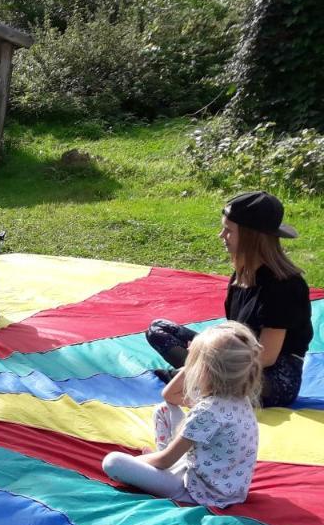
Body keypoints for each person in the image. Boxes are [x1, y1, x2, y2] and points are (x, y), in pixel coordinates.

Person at [146, 191, 312, 407]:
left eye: (229, 230)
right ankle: (203, 379)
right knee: (159, 330)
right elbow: (233, 331)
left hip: (271, 377)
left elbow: (267, 357)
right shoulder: (242, 274)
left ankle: (200, 381)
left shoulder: (285, 286)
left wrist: (210, 356)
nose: (221, 235)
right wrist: (206, 346)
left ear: (251, 237)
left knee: (205, 355)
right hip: (233, 361)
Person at [103, 322, 261, 508]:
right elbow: (169, 396)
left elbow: (164, 460)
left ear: (204, 370)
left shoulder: (207, 411)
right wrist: (195, 360)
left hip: (198, 492)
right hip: (221, 483)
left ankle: (159, 471)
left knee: (113, 462)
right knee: (164, 409)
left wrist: (136, 463)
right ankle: (163, 468)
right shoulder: (238, 398)